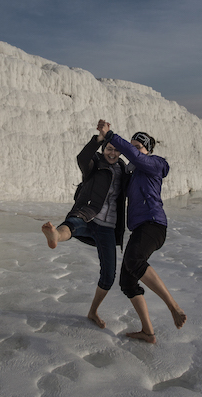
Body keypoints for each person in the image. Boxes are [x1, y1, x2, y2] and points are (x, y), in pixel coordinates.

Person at [98, 119, 186, 343]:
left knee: (135, 261)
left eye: (139, 147)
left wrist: (111, 135)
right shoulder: (133, 174)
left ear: (147, 150)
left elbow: (136, 157)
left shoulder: (154, 164)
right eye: (133, 145)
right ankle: (148, 332)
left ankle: (173, 306)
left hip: (154, 224)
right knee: (127, 282)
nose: (134, 151)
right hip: (139, 228)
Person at [42, 128, 129, 329]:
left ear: (120, 152)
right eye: (108, 148)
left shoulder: (124, 170)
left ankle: (93, 311)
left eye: (116, 150)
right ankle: (54, 235)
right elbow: (82, 157)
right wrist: (97, 139)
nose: (112, 153)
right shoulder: (94, 165)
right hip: (89, 215)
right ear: (104, 148)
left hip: (108, 228)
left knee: (109, 276)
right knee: (72, 224)